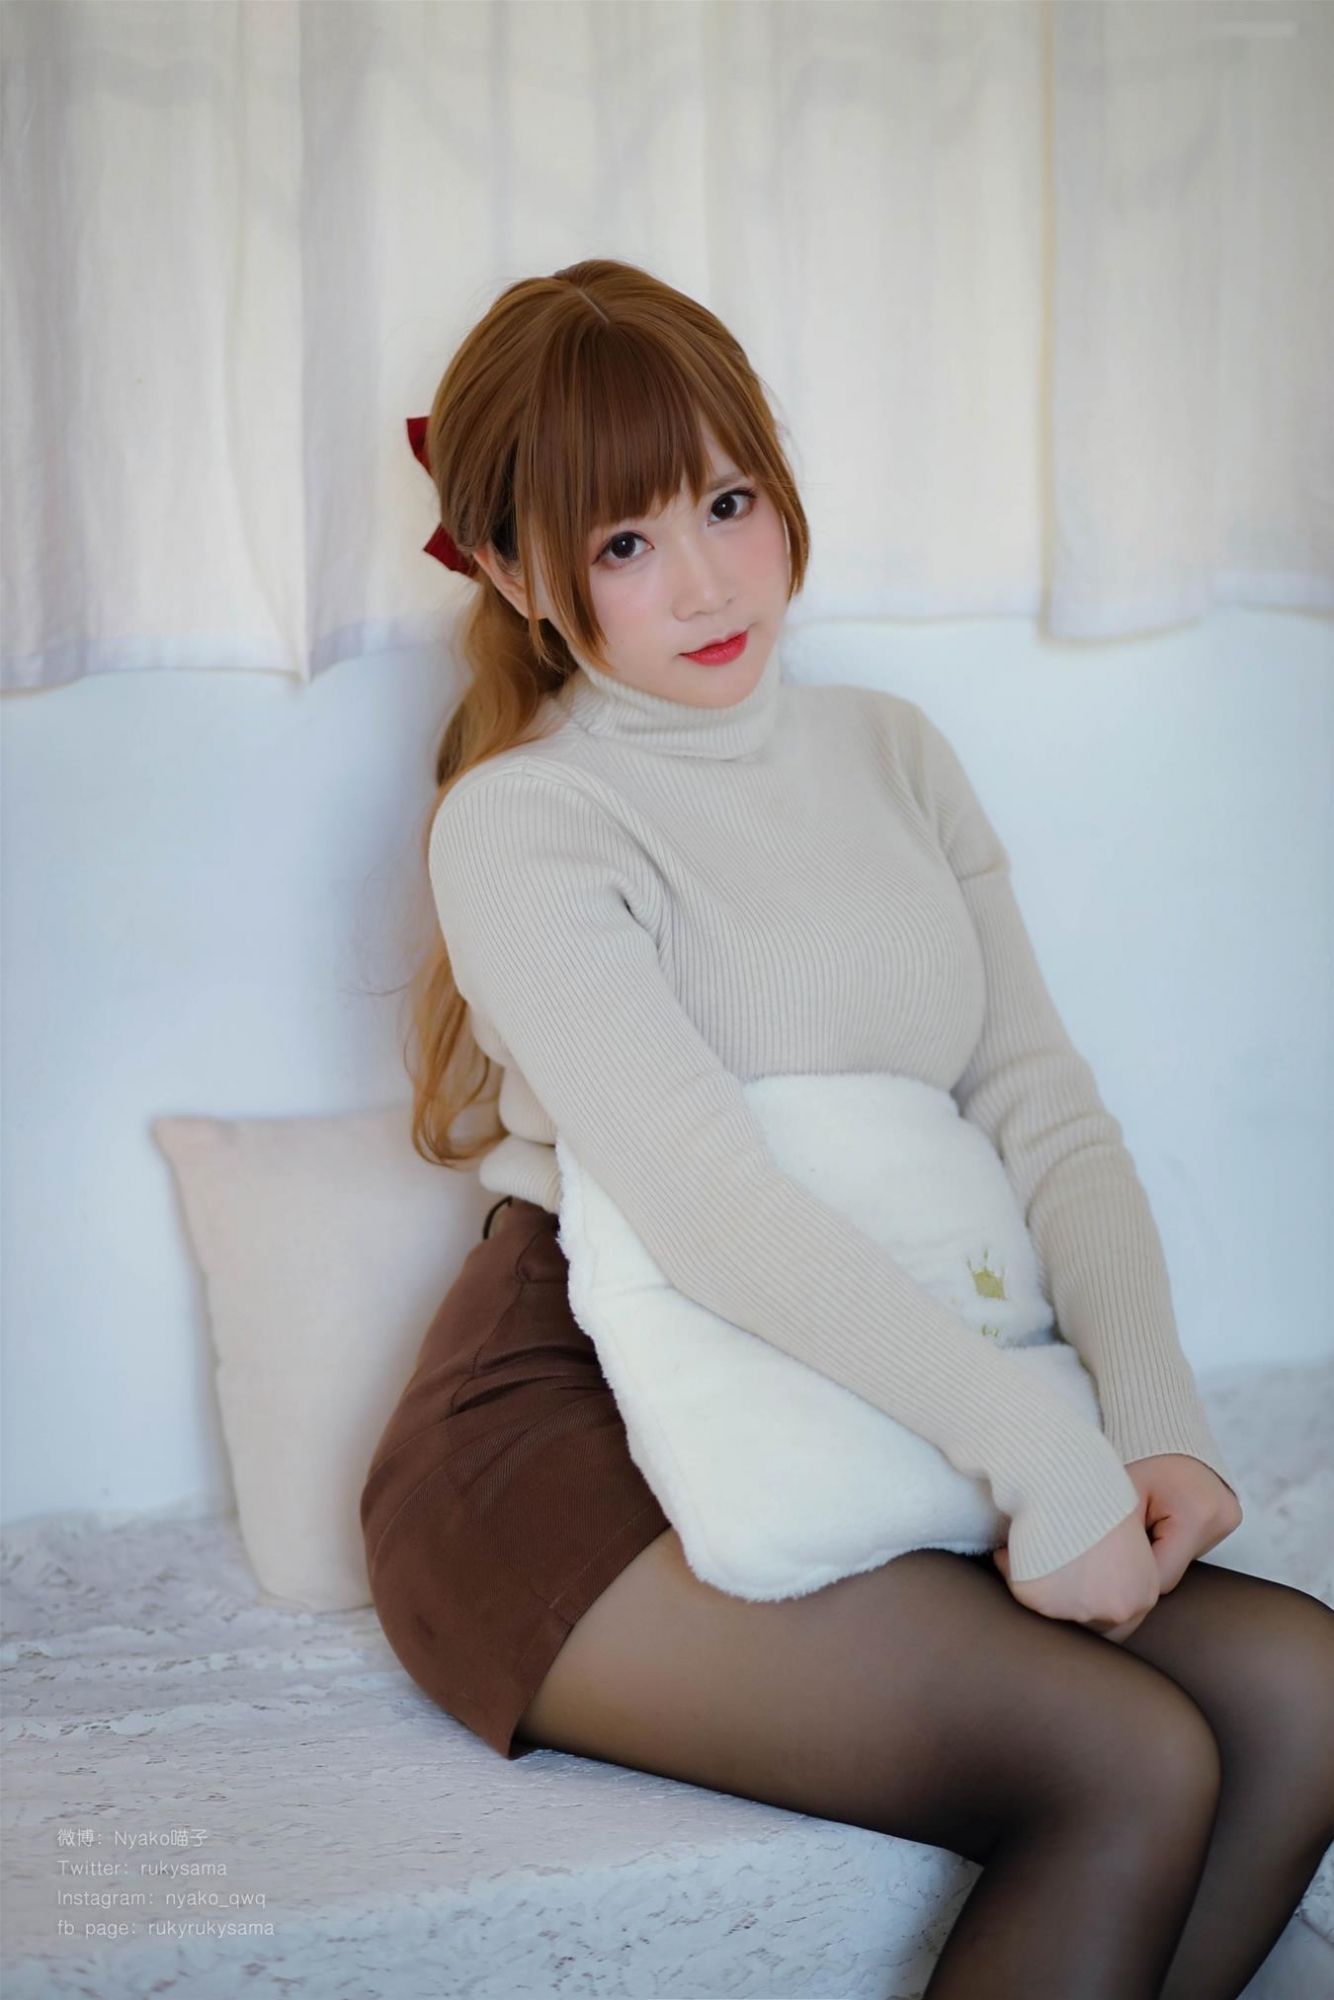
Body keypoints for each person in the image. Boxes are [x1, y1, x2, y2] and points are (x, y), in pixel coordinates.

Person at [361, 258, 1334, 1998]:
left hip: (853, 1366)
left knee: (1302, 1689)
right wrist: (1038, 1461)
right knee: (1123, 1755)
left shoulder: (895, 751)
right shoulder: (525, 821)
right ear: (510, 572)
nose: (707, 581)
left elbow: (1041, 1105)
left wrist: (1148, 1427)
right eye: (623, 543)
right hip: (567, 1432)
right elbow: (703, 1203)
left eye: (729, 502)